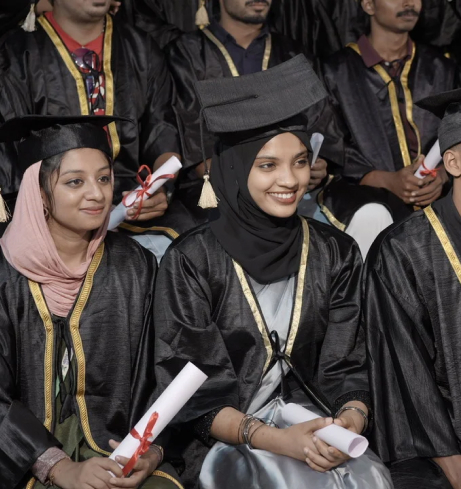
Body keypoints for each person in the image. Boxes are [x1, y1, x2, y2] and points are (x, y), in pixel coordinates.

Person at [153, 56, 392, 489]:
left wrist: (350, 423)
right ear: (235, 168)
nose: (290, 180)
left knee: (368, 478)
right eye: (268, 165)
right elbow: (192, 392)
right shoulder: (192, 260)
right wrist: (276, 440)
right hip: (226, 438)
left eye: (300, 162)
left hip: (316, 423)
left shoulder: (335, 252)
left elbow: (348, 363)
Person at [0, 115, 182, 489]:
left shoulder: (135, 266)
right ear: (40, 193)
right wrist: (58, 467)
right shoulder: (4, 273)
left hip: (117, 449)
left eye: (104, 178)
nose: (97, 194)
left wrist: (150, 451)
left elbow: (164, 369)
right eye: (75, 182)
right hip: (23, 458)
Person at [162, 0, 347, 232]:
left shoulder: (291, 52)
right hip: (217, 193)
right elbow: (189, 129)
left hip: (294, 188)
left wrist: (318, 162)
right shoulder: (185, 53)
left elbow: (320, 120)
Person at [0, 0, 180, 235]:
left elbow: (162, 132)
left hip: (131, 203)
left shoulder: (141, 48)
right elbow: (11, 151)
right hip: (48, 212)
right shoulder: (14, 52)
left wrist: (160, 188)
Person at [363, 87, 461, 489]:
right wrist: (453, 466)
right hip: (436, 443)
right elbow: (405, 375)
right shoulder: (402, 251)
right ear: (453, 161)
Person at [320, 0, 459, 257]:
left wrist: (442, 176)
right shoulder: (335, 71)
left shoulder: (442, 67)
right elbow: (332, 148)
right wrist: (388, 181)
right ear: (368, 5)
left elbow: (455, 131)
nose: (409, 3)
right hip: (363, 196)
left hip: (439, 192)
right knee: (374, 218)